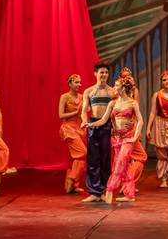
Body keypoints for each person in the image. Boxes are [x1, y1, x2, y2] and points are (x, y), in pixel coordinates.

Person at [84, 72, 144, 203]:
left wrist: (134, 138)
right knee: (125, 165)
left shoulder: (133, 103)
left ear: (122, 88)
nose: (114, 87)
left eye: (116, 85)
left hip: (128, 137)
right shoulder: (112, 103)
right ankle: (129, 194)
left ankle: (110, 189)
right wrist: (91, 124)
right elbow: (104, 119)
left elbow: (140, 121)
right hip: (117, 138)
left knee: (120, 163)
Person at [80, 62, 115, 202]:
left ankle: (104, 190)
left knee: (105, 159)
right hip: (93, 126)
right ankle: (94, 192)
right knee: (93, 159)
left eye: (106, 72)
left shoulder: (112, 92)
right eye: (101, 72)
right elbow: (84, 110)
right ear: (95, 74)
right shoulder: (89, 91)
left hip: (107, 126)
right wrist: (84, 121)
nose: (104, 75)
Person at [146, 71, 168, 188]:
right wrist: (148, 128)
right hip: (160, 125)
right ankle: (164, 178)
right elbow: (153, 112)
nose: (166, 82)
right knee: (161, 153)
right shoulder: (157, 95)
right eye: (164, 80)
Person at [58, 74, 87, 193]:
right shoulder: (64, 97)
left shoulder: (82, 97)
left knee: (73, 157)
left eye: (80, 82)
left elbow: (84, 113)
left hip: (79, 128)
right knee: (82, 152)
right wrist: (75, 112)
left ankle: (73, 185)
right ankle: (71, 179)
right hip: (69, 128)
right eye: (76, 82)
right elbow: (61, 115)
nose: (79, 84)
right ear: (70, 84)